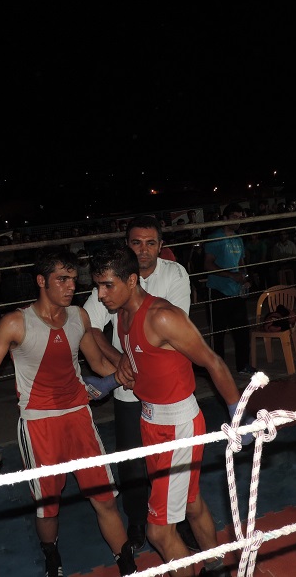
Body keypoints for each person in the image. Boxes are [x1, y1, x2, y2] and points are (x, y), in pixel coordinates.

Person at [0, 251, 136, 577]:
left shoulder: (78, 316)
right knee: (48, 507)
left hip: (79, 417)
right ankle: (51, 555)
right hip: (39, 424)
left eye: (73, 279)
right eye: (62, 279)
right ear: (41, 281)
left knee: (104, 498)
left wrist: (129, 374)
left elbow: (98, 365)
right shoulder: (16, 323)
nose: (71, 286)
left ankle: (128, 566)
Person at [90, 246, 247, 577]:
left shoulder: (162, 316)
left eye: (107, 285)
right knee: (190, 502)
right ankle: (218, 567)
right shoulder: (122, 316)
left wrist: (238, 415)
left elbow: (213, 361)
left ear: (131, 280)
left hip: (178, 425)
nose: (101, 295)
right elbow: (103, 338)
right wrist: (113, 373)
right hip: (150, 420)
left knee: (159, 532)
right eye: (98, 286)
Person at [83, 215, 192, 551]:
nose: (143, 250)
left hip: (166, 389)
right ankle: (136, 520)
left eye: (150, 243)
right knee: (132, 460)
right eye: (136, 243)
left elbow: (176, 333)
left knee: (174, 461)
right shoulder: (111, 276)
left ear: (161, 246)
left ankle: (177, 520)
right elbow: (86, 324)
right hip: (129, 389)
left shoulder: (174, 274)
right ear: (126, 245)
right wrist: (119, 361)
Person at [204, 203, 254, 375]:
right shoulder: (215, 238)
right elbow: (208, 264)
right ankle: (217, 369)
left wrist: (245, 278)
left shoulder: (238, 239)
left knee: (242, 330)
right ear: (225, 218)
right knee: (218, 333)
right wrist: (231, 275)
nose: (238, 221)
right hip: (218, 290)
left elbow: (241, 263)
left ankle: (243, 365)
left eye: (240, 217)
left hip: (236, 291)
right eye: (234, 217)